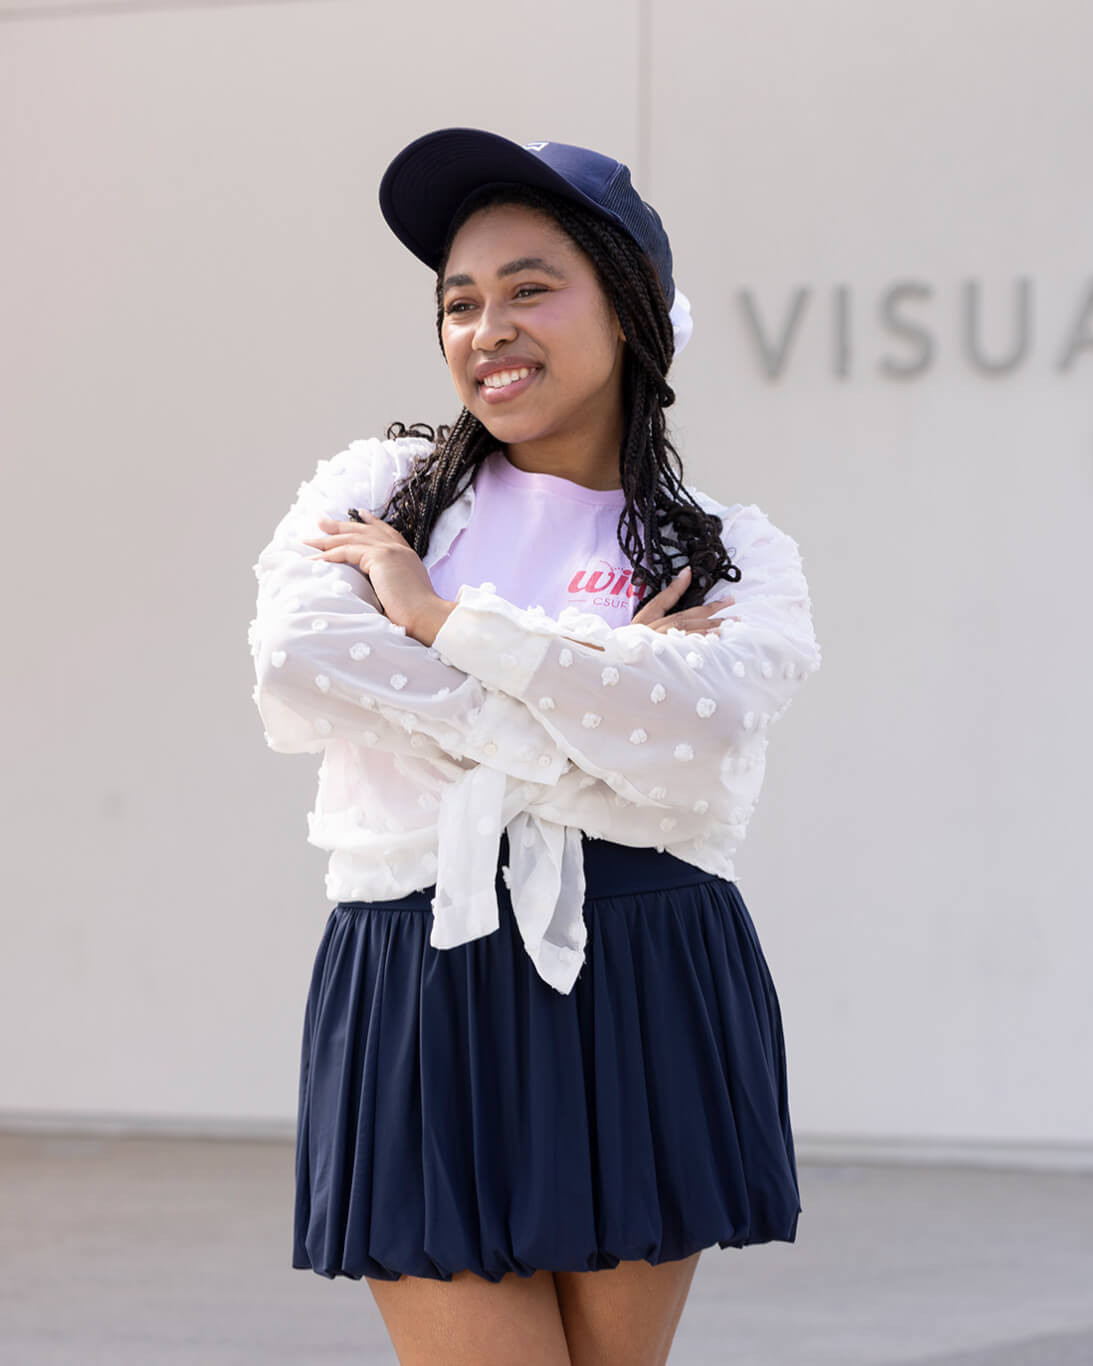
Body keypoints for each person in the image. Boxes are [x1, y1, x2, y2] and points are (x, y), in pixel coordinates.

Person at [245, 127, 821, 1365]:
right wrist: (593, 690)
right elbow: (300, 667)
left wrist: (443, 622)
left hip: (642, 962)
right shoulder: (379, 490)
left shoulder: (729, 550)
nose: (484, 327)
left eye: (528, 288)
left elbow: (700, 740)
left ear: (629, 315)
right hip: (419, 969)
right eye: (459, 300)